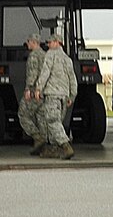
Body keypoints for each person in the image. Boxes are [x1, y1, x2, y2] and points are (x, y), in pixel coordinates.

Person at [36, 27, 77, 160]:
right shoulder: (68, 59)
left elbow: (45, 73)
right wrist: (72, 95)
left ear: (57, 42)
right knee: (56, 122)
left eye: (49, 43)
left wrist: (38, 88)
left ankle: (66, 145)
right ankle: (53, 149)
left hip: (52, 94)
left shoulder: (50, 55)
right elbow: (73, 79)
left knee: (52, 121)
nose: (47, 45)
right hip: (64, 97)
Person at [17, 32, 45, 155]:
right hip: (44, 92)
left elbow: (32, 74)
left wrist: (28, 89)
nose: (27, 44)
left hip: (34, 91)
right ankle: (44, 146)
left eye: (28, 41)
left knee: (23, 114)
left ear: (34, 42)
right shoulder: (45, 55)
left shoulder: (33, 56)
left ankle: (38, 138)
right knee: (40, 117)